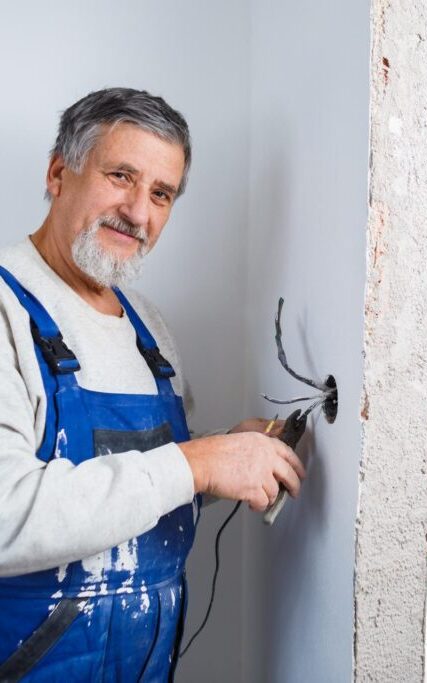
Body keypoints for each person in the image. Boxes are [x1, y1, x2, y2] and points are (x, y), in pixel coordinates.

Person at [0, 87, 306, 681]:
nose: (139, 213)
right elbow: (6, 517)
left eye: (161, 194)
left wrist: (224, 454)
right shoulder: (6, 311)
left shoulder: (150, 330)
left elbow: (150, 484)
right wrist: (196, 463)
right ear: (59, 173)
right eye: (121, 176)